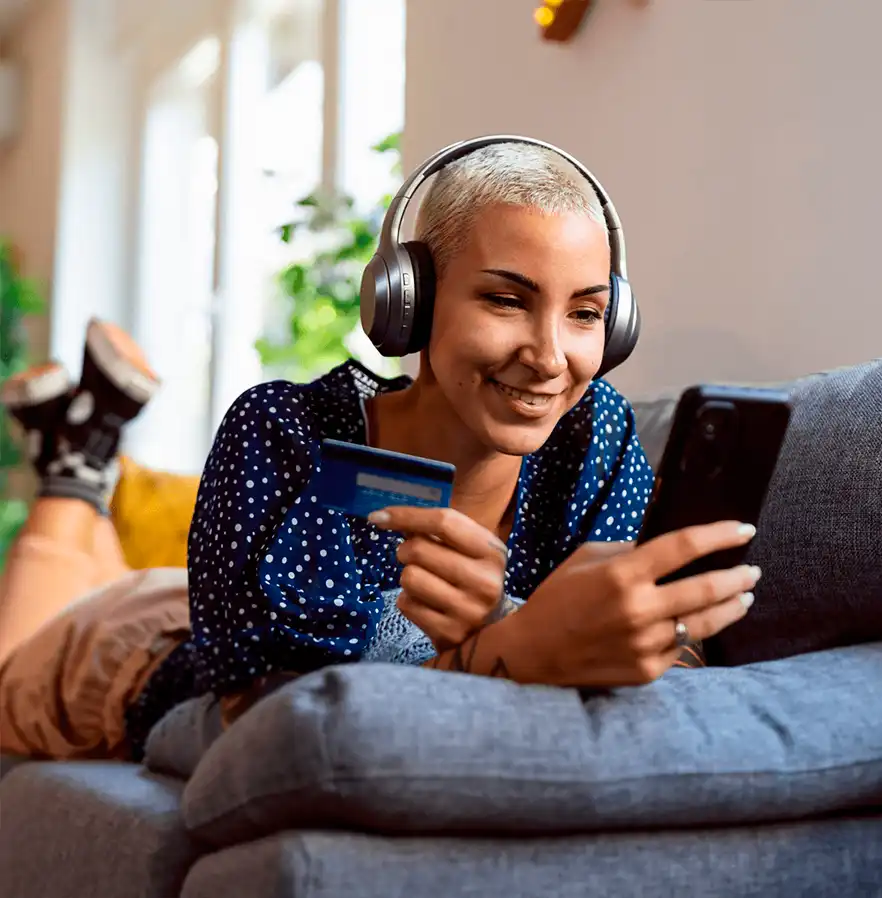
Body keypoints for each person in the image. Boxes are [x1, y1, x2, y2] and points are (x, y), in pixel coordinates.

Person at [0, 140, 761, 763]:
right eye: (505, 299)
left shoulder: (597, 436)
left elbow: (658, 649)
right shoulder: (284, 429)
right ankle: (76, 469)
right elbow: (274, 717)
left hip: (216, 595)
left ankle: (78, 450)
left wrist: (503, 620)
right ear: (409, 303)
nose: (548, 355)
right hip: (137, 653)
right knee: (22, 658)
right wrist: (510, 643)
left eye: (587, 312)